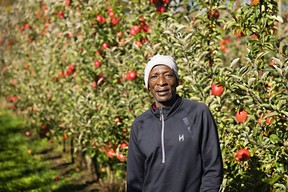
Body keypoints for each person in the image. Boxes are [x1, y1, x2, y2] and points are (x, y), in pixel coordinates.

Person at [126, 54, 223, 192]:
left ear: (177, 81)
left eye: (168, 75)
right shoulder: (140, 125)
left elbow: (212, 167)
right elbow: (135, 179)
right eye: (154, 76)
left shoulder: (197, 113)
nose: (161, 82)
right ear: (148, 85)